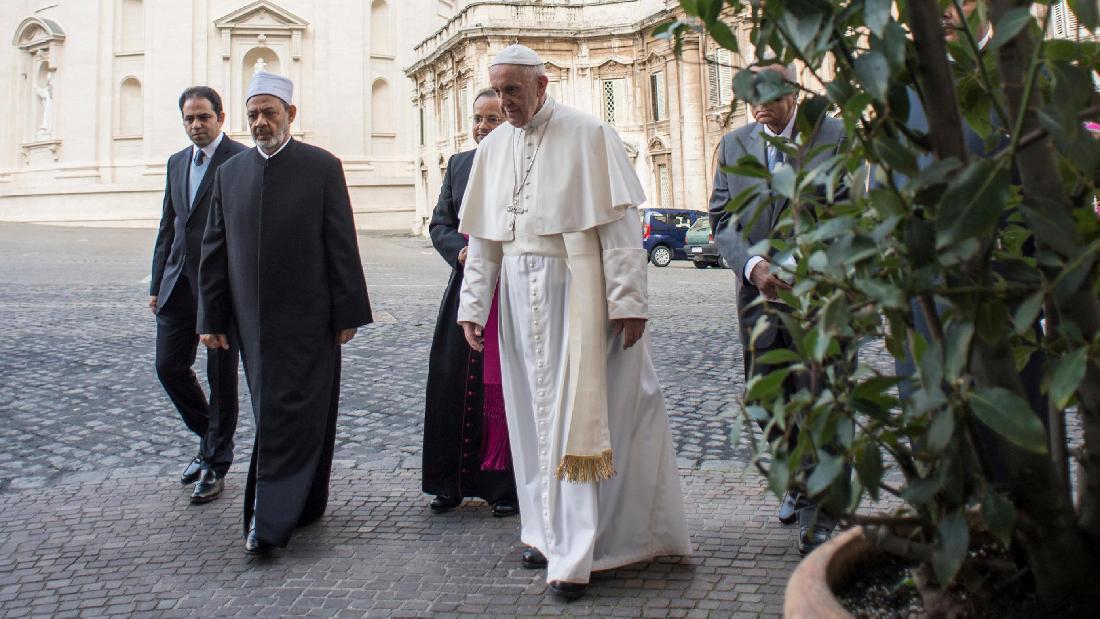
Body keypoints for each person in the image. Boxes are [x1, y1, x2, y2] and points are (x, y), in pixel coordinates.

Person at [457, 44, 691, 600]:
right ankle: (541, 532)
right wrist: (474, 306)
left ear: (542, 86)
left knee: (572, 423)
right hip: (516, 296)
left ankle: (577, 552)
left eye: (514, 90)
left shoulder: (590, 134)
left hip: (575, 293)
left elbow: (619, 229)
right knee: (528, 420)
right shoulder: (494, 150)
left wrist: (629, 300)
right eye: (498, 90)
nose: (505, 102)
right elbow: (485, 241)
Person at [198, 72, 373, 555]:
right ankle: (281, 513)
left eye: (269, 112)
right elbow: (214, 249)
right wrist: (211, 319)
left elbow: (341, 243)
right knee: (276, 414)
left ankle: (286, 512)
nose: (260, 122)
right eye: (253, 114)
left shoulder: (322, 167)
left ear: (290, 115)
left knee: (309, 411)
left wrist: (348, 312)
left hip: (313, 319)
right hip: (252, 326)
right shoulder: (228, 174)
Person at [708, 62, 846, 556]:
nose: (756, 104)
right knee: (769, 395)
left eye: (765, 93)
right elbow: (721, 217)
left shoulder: (835, 136)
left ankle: (824, 506)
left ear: (791, 92)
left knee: (821, 394)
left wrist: (801, 267)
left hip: (818, 295)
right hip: (757, 294)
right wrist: (755, 266)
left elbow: (850, 209)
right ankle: (794, 477)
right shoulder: (734, 144)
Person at [423, 88, 518, 517]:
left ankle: (503, 488)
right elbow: (440, 222)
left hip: (509, 292)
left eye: (492, 119)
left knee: (500, 389)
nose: (482, 127)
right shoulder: (459, 164)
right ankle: (450, 484)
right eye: (477, 119)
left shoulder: (520, 160)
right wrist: (459, 252)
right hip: (464, 287)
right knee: (450, 383)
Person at [149, 86, 247, 504]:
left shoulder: (240, 160)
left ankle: (215, 463)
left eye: (203, 117)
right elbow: (168, 227)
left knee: (221, 378)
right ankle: (210, 438)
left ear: (220, 118)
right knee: (169, 366)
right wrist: (157, 284)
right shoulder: (175, 163)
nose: (196, 125)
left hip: (221, 289)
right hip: (177, 286)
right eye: (189, 119)